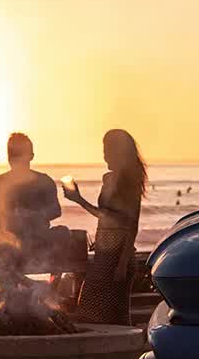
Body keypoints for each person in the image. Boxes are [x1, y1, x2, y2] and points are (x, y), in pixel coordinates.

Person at [62, 128, 147, 326]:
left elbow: (130, 223)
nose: (104, 154)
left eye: (107, 149)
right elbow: (105, 216)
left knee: (105, 313)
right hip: (104, 252)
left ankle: (119, 353)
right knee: (100, 312)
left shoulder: (130, 181)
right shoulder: (108, 179)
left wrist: (122, 263)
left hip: (118, 256)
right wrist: (79, 200)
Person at [0, 132, 62, 267]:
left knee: (64, 233)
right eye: (14, 155)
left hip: (39, 240)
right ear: (8, 158)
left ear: (31, 156)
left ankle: (54, 281)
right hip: (10, 241)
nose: (17, 159)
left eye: (20, 154)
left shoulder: (44, 181)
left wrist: (35, 215)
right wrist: (11, 214)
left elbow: (56, 210)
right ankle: (5, 280)